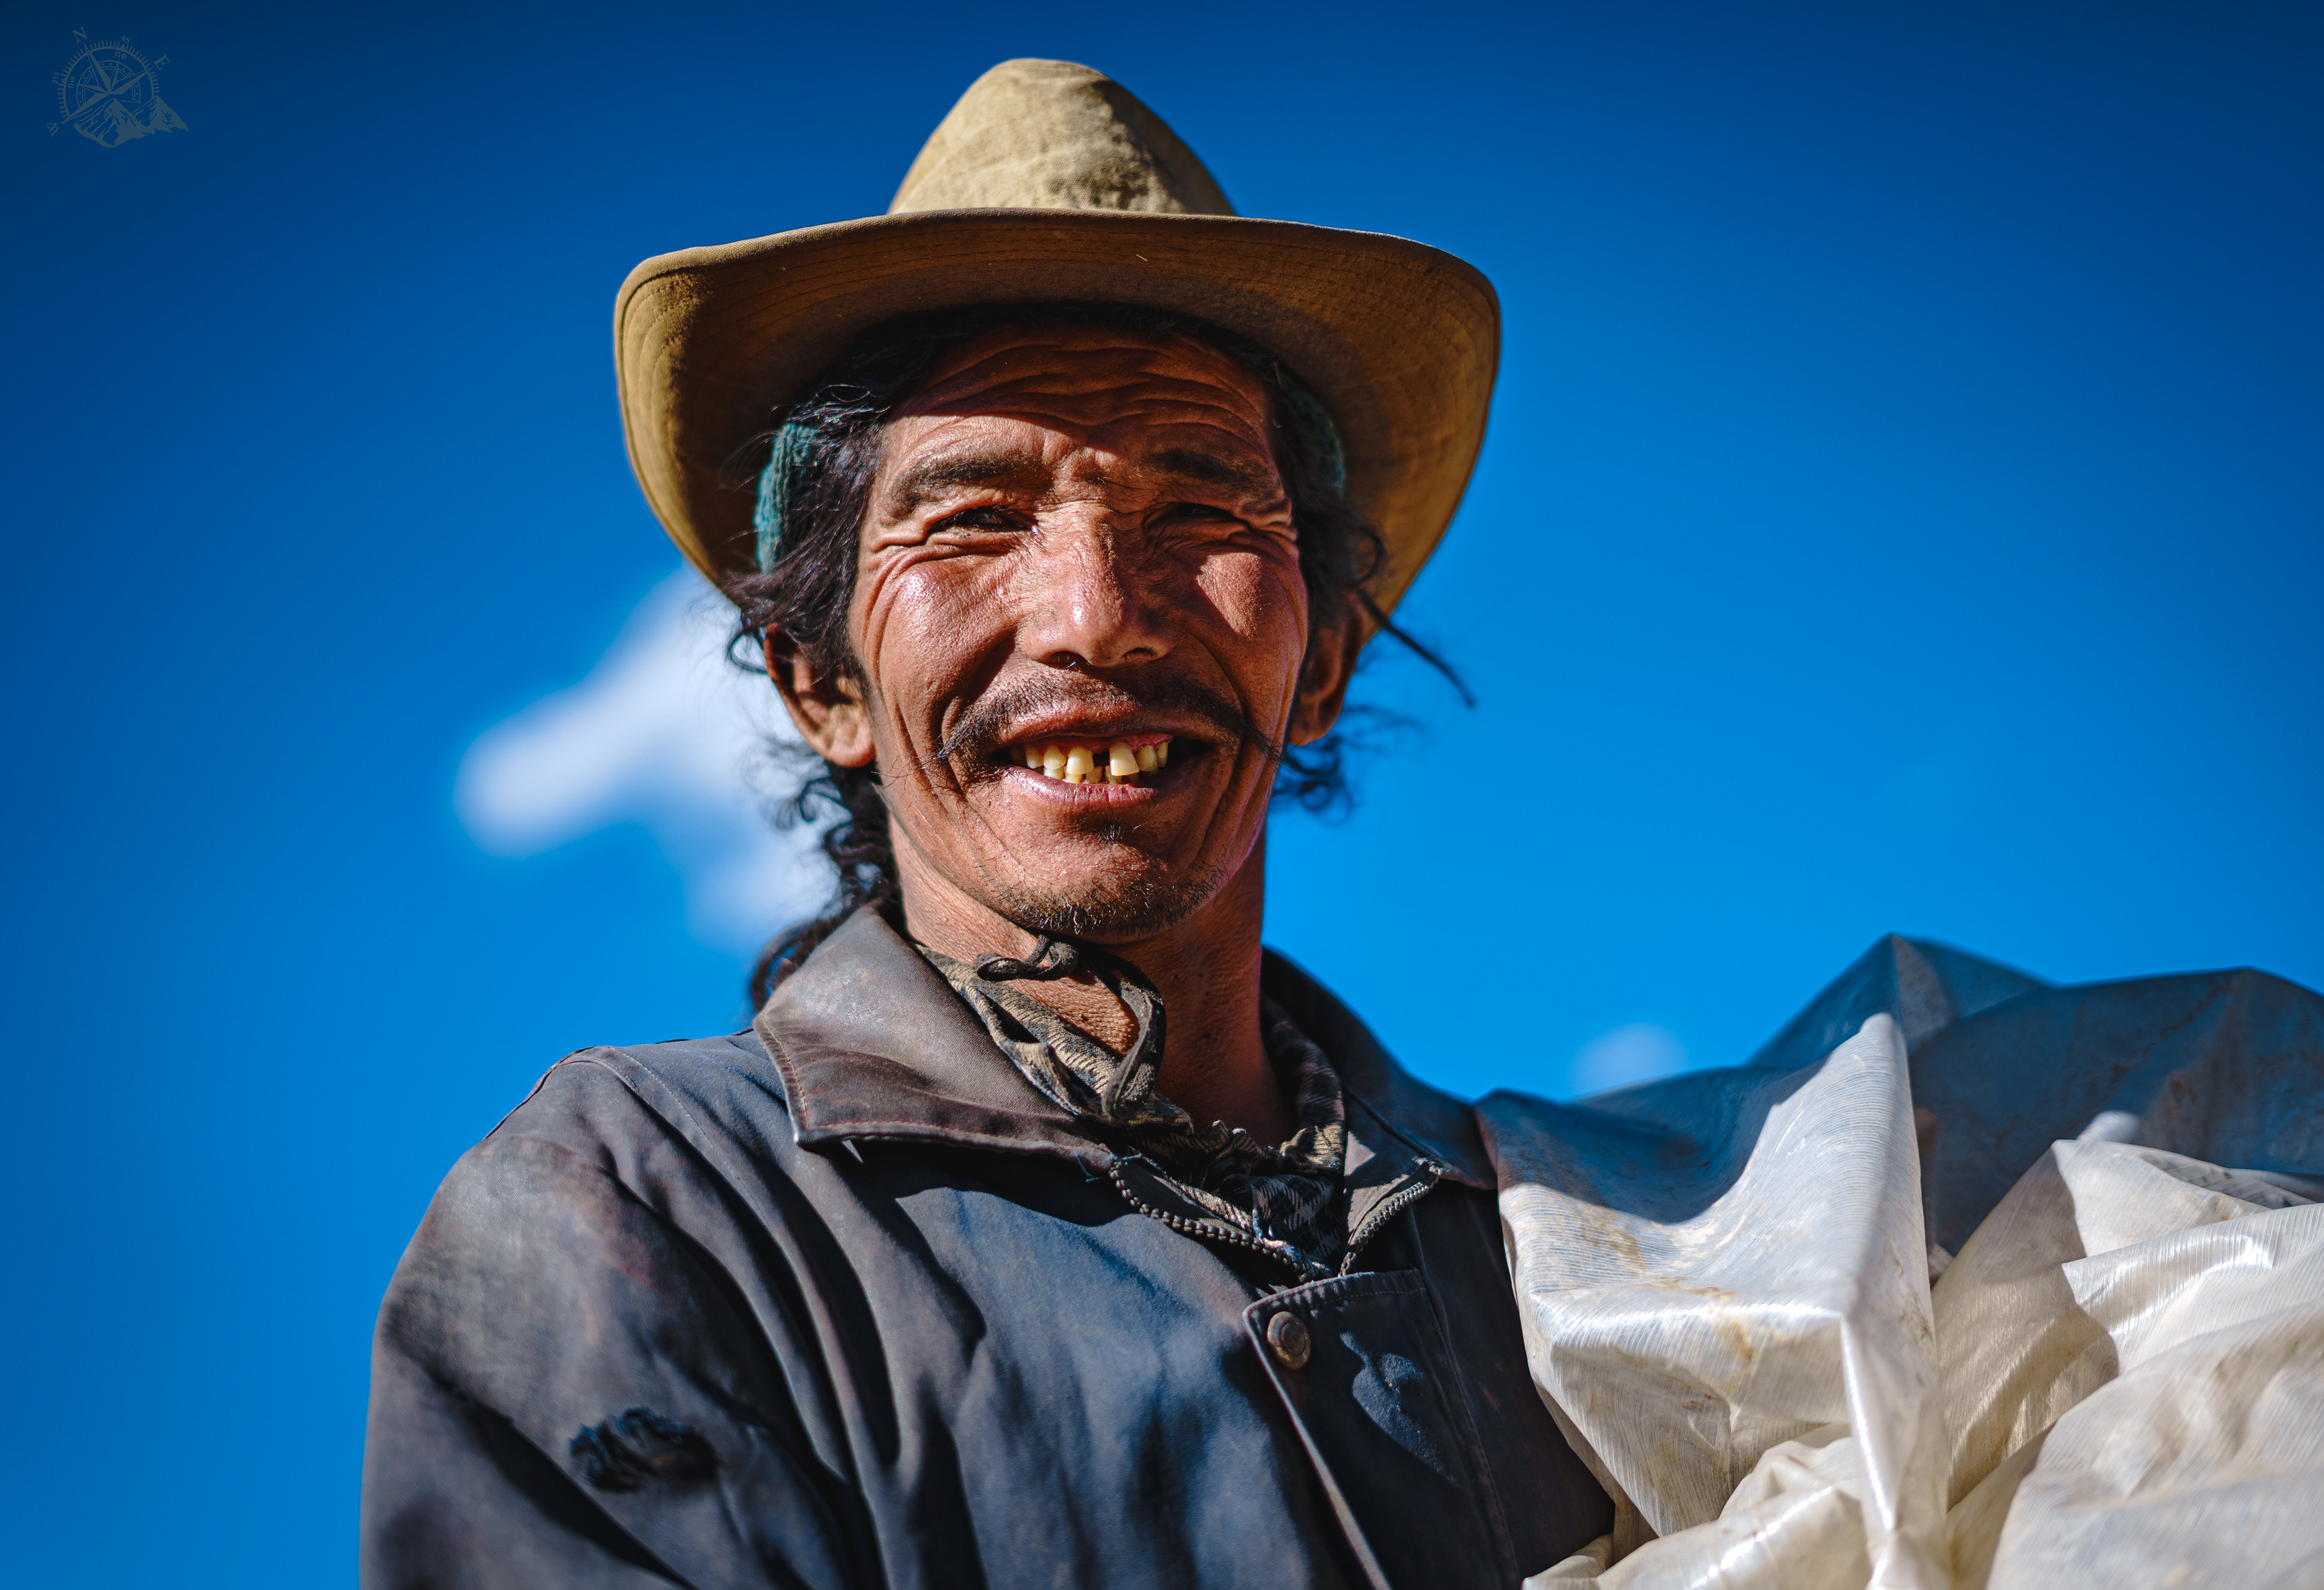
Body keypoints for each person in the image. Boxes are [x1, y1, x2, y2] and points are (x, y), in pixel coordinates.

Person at [363, 58, 1615, 1589]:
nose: (1096, 618)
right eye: (973, 518)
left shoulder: (1575, 1254)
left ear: (1325, 660)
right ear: (819, 677)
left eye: (1203, 508)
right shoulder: (650, 1209)